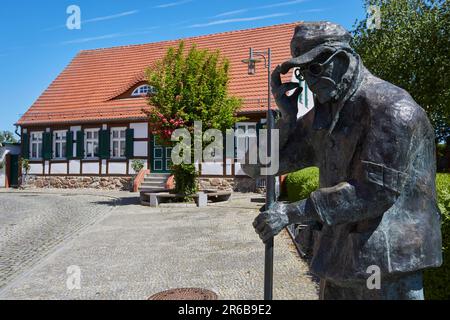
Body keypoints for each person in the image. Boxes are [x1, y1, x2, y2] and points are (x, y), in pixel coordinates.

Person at [243, 21, 442, 300]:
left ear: (344, 59)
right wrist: (286, 120)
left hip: (386, 264)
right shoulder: (323, 115)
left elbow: (372, 193)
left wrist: (290, 212)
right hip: (339, 261)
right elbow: (256, 166)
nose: (309, 81)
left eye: (316, 68)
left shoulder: (391, 108)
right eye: (303, 72)